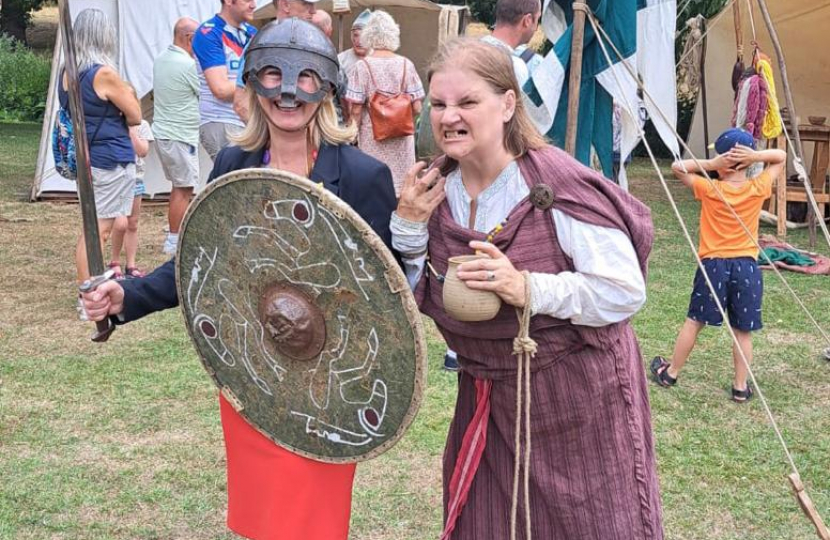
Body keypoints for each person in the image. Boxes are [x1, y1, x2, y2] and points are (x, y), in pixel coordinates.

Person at [81, 19, 397, 540]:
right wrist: (126, 296)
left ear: (328, 89)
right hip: (252, 373)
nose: (288, 92)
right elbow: (200, 265)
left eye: (304, 79)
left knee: (312, 523)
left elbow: (385, 298)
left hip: (326, 388)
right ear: (252, 83)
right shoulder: (233, 163)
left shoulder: (363, 177)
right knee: (261, 520)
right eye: (271, 74)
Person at [391, 38, 663, 539]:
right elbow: (404, 296)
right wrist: (408, 226)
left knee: (591, 527)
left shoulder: (553, 182)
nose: (449, 116)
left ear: (508, 104)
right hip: (487, 397)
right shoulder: (432, 189)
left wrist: (527, 286)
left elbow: (625, 290)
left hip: (580, 399)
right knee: (488, 525)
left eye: (467, 102)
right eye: (439, 104)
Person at [650, 128, 786, 403]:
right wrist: (755, 156)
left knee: (695, 321)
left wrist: (711, 165)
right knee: (742, 330)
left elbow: (677, 167)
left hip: (714, 266)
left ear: (723, 163)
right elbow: (781, 157)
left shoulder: (710, 188)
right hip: (747, 268)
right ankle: (740, 387)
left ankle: (671, 372)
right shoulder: (757, 187)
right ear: (748, 164)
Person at [61, 8, 141, 318]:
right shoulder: (102, 73)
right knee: (99, 231)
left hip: (88, 158)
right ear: (104, 36)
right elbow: (135, 114)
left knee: (97, 227)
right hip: (110, 158)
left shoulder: (68, 73)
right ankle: (88, 296)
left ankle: (89, 290)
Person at [346, 10, 424, 196]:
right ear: (393, 34)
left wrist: (351, 137)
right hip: (402, 141)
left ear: (368, 35)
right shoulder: (407, 64)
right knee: (402, 190)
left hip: (373, 138)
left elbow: (356, 109)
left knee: (373, 188)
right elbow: (418, 107)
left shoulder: (362, 67)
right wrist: (399, 119)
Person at [152, 17, 200, 255]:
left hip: (165, 133)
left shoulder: (161, 59)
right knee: (184, 188)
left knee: (178, 187)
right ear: (189, 38)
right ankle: (173, 239)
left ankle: (175, 232)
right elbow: (209, 91)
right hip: (180, 135)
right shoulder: (188, 65)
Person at [232, 0, 320, 123]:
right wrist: (274, 136)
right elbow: (241, 104)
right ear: (285, 5)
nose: (313, 10)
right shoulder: (262, 44)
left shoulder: (314, 44)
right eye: (306, 4)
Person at [193, 0, 257, 160]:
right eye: (248, 0)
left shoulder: (252, 32)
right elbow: (220, 89)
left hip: (250, 119)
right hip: (222, 120)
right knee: (236, 180)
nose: (254, 5)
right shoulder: (208, 32)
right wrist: (257, 82)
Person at [110, 117, 153, 279]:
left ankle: (131, 264)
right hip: (117, 179)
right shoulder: (111, 123)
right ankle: (114, 262)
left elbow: (142, 151)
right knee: (120, 223)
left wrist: (132, 131)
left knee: (133, 223)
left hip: (136, 179)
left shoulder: (143, 125)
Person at [480, 0, 543, 88]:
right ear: (527, 20)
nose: (536, 28)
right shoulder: (515, 68)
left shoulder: (466, 51)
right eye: (537, 19)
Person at [338, 9, 371, 76]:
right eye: (356, 35)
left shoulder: (378, 60)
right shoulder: (341, 59)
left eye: (364, 36)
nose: (359, 41)